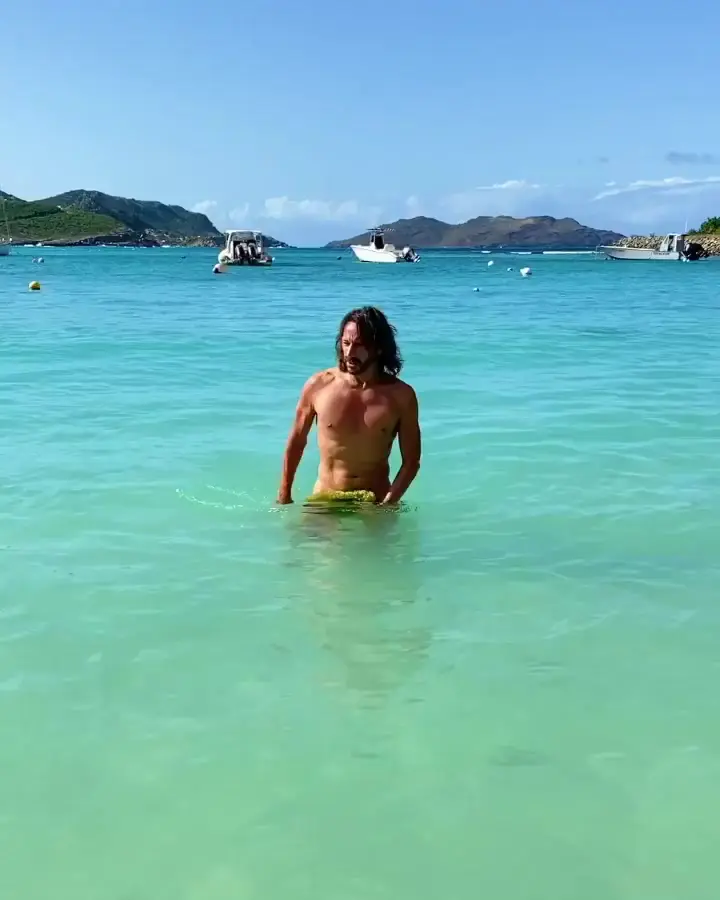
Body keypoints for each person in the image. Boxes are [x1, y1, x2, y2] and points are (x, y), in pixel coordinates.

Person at [276, 306, 421, 506]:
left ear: (379, 348)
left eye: (359, 345)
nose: (350, 352)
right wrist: (284, 494)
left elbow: (411, 462)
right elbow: (296, 442)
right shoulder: (319, 385)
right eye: (346, 343)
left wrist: (387, 505)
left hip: (374, 502)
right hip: (326, 497)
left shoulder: (401, 396)